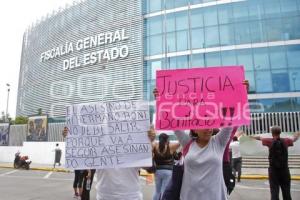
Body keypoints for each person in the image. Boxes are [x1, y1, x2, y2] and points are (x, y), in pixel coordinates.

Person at [153, 80, 248, 200]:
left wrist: (241, 93)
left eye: (210, 123)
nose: (208, 128)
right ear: (194, 128)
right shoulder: (187, 143)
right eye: (204, 124)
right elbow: (172, 120)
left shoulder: (219, 142)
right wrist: (160, 99)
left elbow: (231, 117)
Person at [63, 126, 156, 200]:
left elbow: (150, 168)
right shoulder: (99, 147)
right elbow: (81, 157)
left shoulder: (134, 147)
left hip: (131, 196)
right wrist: (71, 138)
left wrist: (148, 143)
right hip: (105, 196)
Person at [250, 126, 300, 200]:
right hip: (285, 170)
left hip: (273, 171)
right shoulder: (286, 141)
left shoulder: (269, 141)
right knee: (286, 192)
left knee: (274, 192)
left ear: (272, 133)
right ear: (280, 132)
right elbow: (294, 139)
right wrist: (297, 133)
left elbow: (260, 137)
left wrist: (251, 137)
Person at [152, 133, 180, 200]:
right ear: (167, 139)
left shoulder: (155, 146)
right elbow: (181, 142)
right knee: (164, 191)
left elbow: (149, 144)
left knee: (157, 191)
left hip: (157, 171)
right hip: (168, 171)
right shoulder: (170, 146)